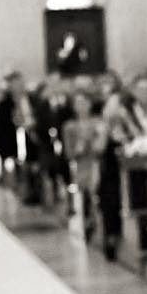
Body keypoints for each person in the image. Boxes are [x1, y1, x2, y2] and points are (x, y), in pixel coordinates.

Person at [62, 90, 108, 240]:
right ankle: (88, 224)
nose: (81, 106)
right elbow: (69, 153)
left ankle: (100, 226)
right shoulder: (69, 127)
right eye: (78, 103)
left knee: (98, 194)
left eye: (84, 102)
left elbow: (100, 147)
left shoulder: (98, 123)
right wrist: (79, 147)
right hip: (81, 166)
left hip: (96, 164)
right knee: (85, 196)